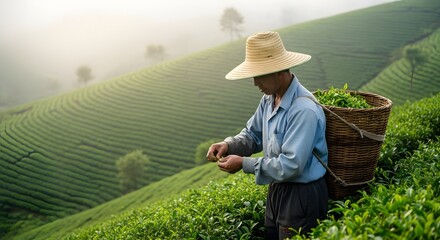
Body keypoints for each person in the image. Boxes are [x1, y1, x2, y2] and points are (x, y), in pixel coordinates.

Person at [206, 31, 328, 239]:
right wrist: (228, 145)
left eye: (259, 75)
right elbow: (253, 135)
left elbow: (291, 165)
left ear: (278, 71)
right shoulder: (269, 100)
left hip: (302, 194)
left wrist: (244, 163)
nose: (255, 83)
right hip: (278, 190)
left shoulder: (303, 110)